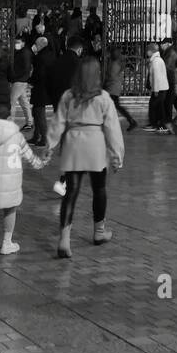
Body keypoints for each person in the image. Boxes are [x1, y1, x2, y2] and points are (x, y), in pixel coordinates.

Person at [47, 56, 125, 258]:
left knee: (71, 192)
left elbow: (58, 122)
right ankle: (99, 231)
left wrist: (50, 144)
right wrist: (117, 154)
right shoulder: (103, 97)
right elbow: (112, 129)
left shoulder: (68, 96)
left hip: (73, 143)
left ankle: (64, 239)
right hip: (95, 144)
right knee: (99, 189)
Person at [0, 101, 48, 260]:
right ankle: (7, 242)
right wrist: (41, 163)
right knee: (10, 209)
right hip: (10, 182)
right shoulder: (17, 136)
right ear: (9, 118)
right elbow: (30, 157)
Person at [47, 37, 85, 196]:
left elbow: (48, 81)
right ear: (80, 49)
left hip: (60, 105)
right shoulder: (79, 64)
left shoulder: (57, 61)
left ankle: (66, 180)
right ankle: (65, 181)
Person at [103, 46, 137, 131]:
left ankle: (131, 121)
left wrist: (105, 84)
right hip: (114, 88)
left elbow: (112, 76)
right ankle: (131, 121)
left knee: (113, 106)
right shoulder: (117, 62)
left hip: (112, 88)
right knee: (115, 106)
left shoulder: (114, 64)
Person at [28, 34, 54, 146]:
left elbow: (38, 73)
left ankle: (44, 137)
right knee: (37, 111)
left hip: (40, 88)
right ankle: (36, 135)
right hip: (46, 87)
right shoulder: (50, 55)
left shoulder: (40, 57)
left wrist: (31, 80)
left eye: (37, 45)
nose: (35, 46)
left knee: (39, 113)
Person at [8, 37, 34, 131]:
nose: (16, 44)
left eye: (18, 42)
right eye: (15, 42)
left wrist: (15, 76)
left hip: (19, 80)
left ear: (23, 43)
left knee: (12, 102)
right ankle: (29, 122)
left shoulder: (24, 53)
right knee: (24, 102)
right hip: (21, 80)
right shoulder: (21, 52)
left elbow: (26, 68)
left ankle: (10, 123)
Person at [146, 43, 170, 132]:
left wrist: (155, 90)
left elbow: (156, 76)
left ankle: (158, 125)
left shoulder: (156, 61)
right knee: (157, 107)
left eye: (147, 50)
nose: (147, 52)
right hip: (161, 88)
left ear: (151, 51)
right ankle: (156, 124)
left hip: (159, 88)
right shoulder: (156, 60)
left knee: (155, 106)